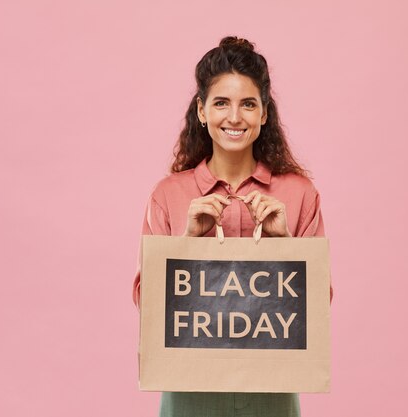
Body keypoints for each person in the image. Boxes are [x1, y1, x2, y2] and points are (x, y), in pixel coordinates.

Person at [133, 36, 328, 417]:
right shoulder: (169, 194)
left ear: (265, 113)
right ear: (202, 111)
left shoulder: (300, 194)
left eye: (248, 104)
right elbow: (147, 305)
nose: (234, 117)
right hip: (189, 392)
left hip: (272, 393)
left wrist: (284, 245)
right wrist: (187, 244)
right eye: (221, 103)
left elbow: (319, 305)